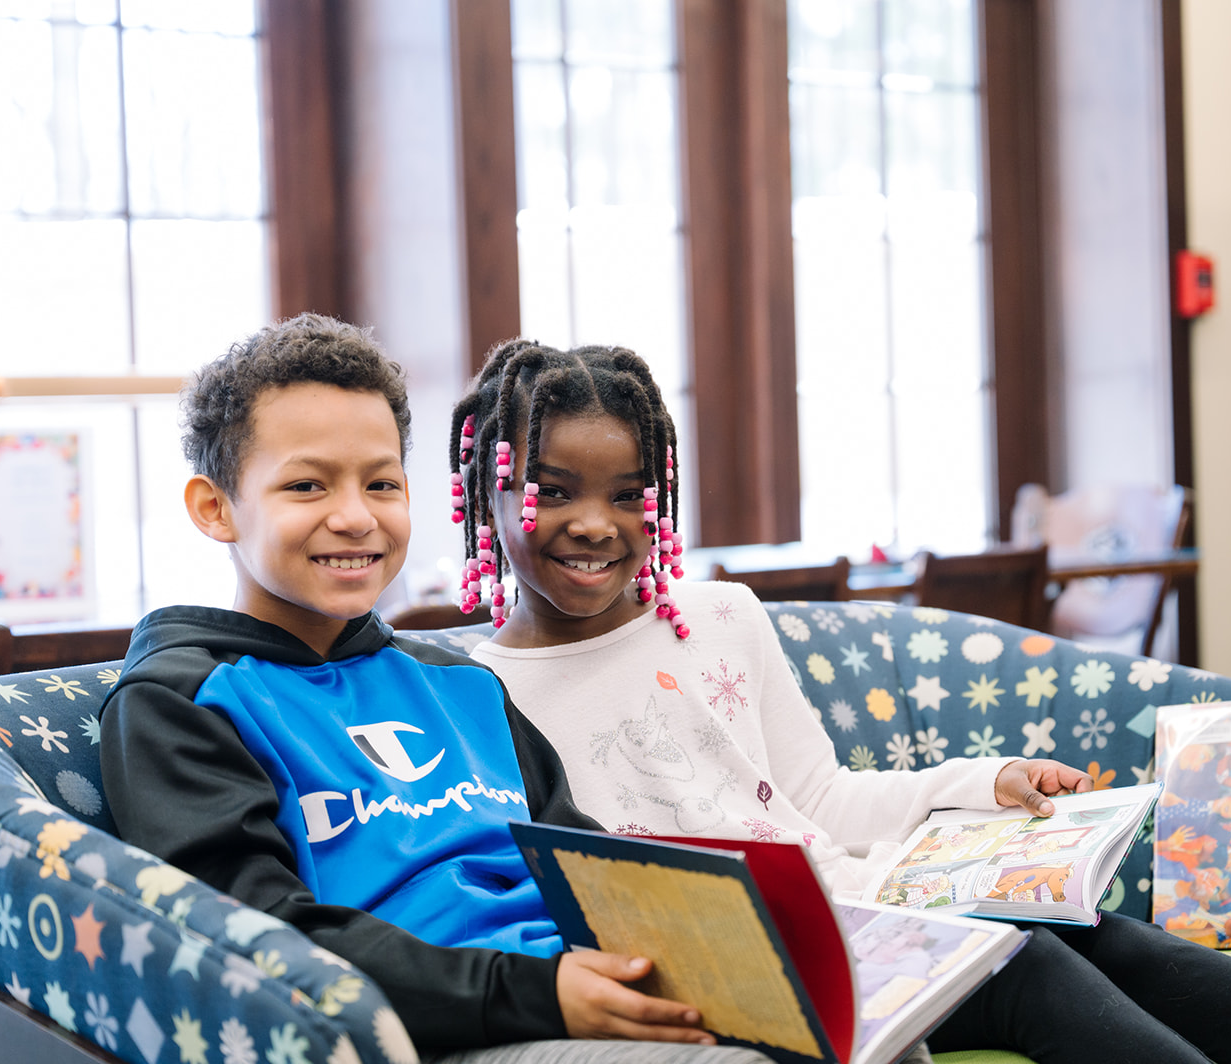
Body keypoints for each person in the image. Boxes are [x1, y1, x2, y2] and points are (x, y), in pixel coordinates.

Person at [446, 337, 1231, 1064]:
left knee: (1091, 927)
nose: (594, 525)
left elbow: (821, 801)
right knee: (1022, 959)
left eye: (629, 493)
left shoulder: (720, 615)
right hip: (770, 976)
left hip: (875, 902)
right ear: (486, 492)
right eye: (551, 490)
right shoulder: (474, 694)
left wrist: (987, 781)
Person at [97, 314, 772, 1064]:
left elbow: (589, 867)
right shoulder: (181, 701)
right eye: (306, 484)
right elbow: (254, 934)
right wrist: (537, 994)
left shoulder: (461, 684)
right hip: (444, 1030)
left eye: (381, 482)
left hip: (580, 993)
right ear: (214, 507)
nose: (355, 517)